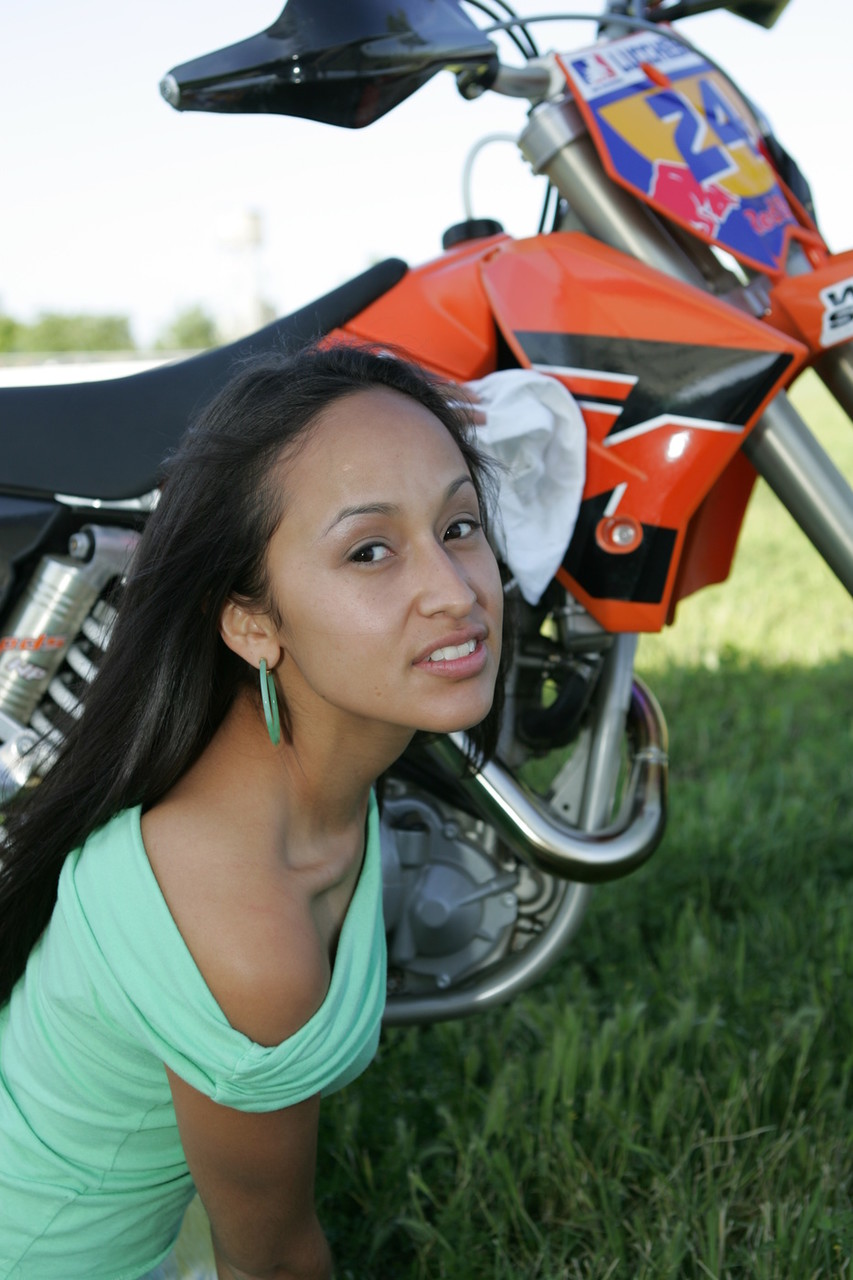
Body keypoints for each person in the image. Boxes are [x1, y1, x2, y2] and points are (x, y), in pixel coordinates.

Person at [0, 342, 505, 1280]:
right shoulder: (244, 925)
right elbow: (269, 1264)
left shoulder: (298, 775)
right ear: (250, 621)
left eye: (460, 525)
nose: (454, 591)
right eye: (369, 550)